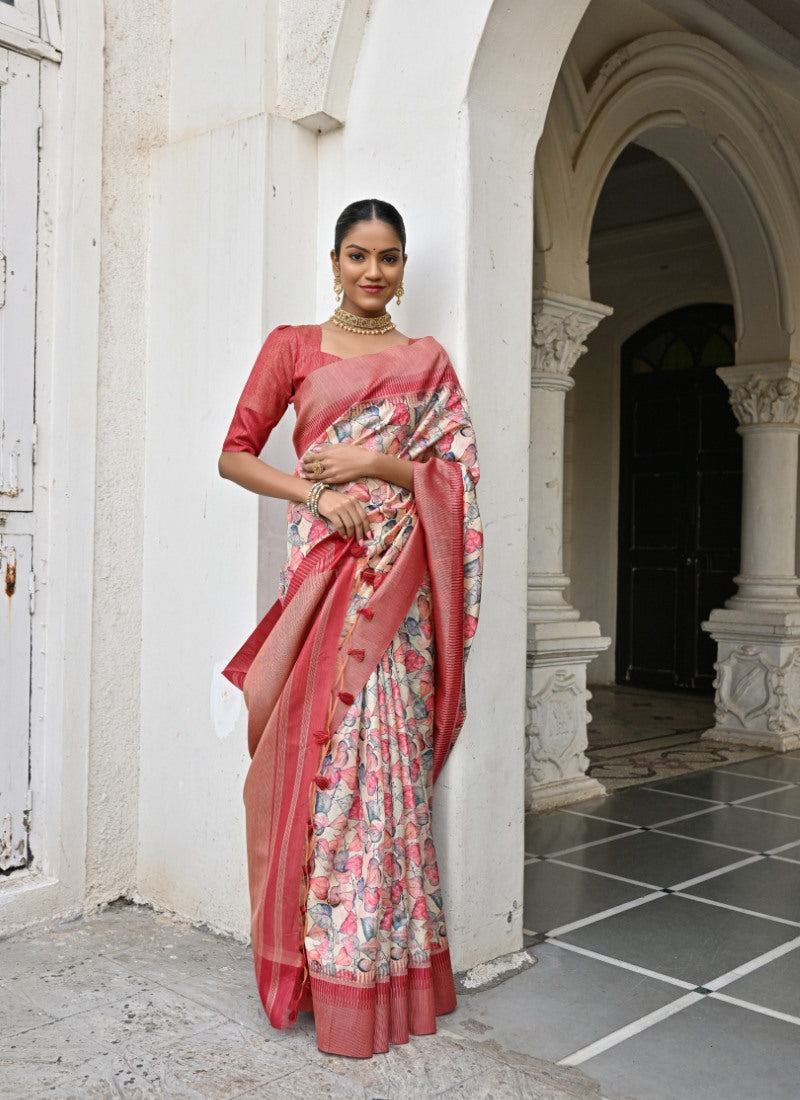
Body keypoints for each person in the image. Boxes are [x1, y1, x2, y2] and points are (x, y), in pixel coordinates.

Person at [218, 198, 483, 1059]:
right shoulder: (292, 346)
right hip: (327, 573)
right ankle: (320, 964)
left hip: (400, 594)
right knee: (324, 763)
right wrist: (320, 495)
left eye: (392, 258)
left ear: (404, 267)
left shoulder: (427, 361)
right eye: (360, 256)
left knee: (391, 770)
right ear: (332, 259)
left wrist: (373, 463)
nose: (375, 273)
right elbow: (235, 453)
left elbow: (455, 476)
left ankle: (382, 968)